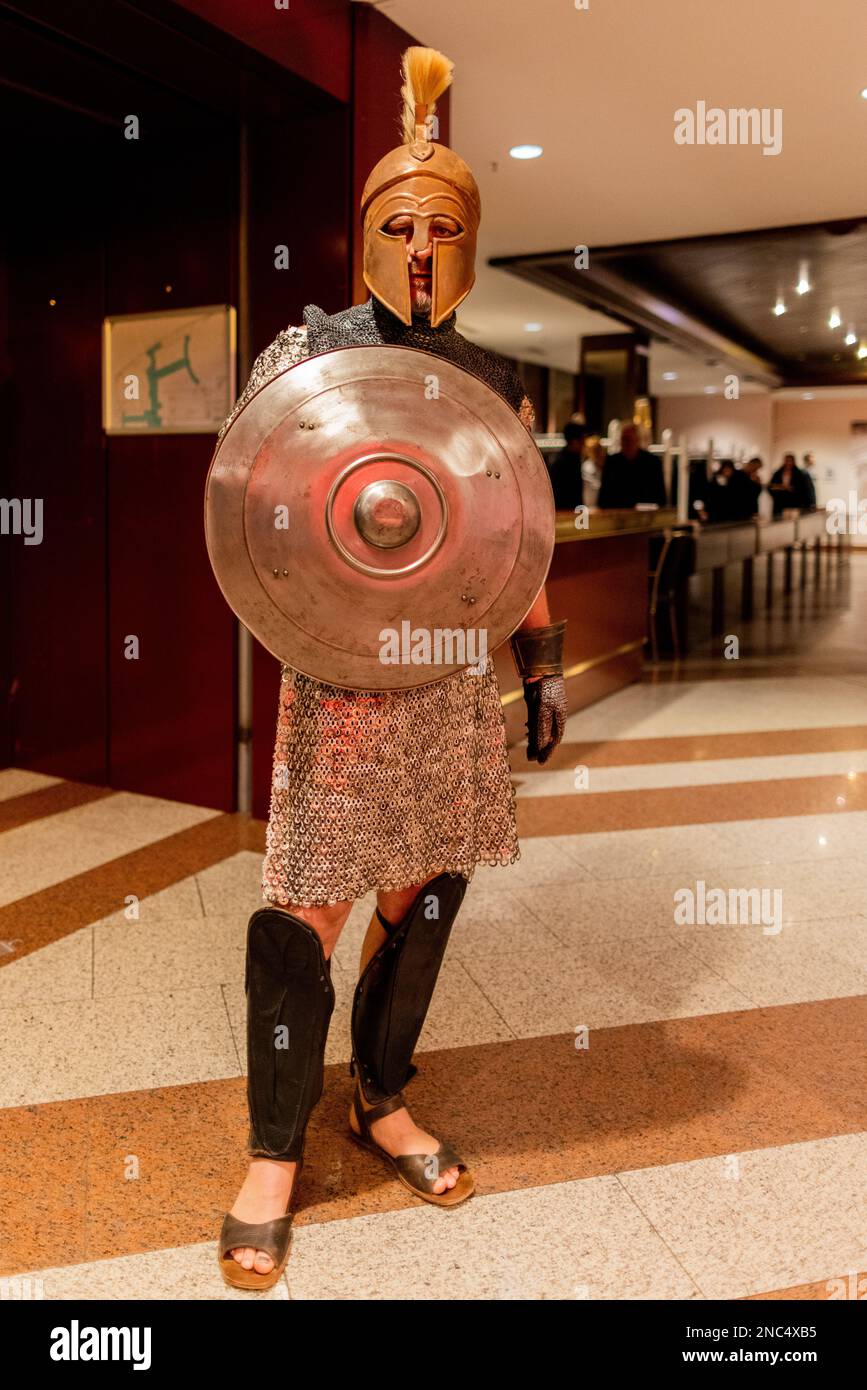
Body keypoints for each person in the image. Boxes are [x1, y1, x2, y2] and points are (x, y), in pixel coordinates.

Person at [214, 47, 568, 1291]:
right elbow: (252, 496)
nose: (420, 248)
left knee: (417, 897)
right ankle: (271, 1150)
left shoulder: (496, 380)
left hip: (452, 684)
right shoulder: (305, 351)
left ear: (471, 243)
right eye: (398, 224)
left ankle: (377, 1097)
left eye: (443, 227)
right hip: (344, 678)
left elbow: (519, 538)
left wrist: (541, 663)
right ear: (365, 233)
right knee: (306, 903)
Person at [597, 421, 666, 508]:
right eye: (623, 439)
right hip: (617, 513)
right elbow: (603, 497)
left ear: (637, 440)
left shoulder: (651, 463)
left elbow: (660, 497)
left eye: (629, 439)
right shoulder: (612, 462)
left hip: (645, 515)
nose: (625, 443)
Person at [547, 420, 587, 511]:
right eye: (582, 440)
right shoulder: (562, 463)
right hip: (565, 514)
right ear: (574, 441)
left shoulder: (572, 459)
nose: (584, 444)